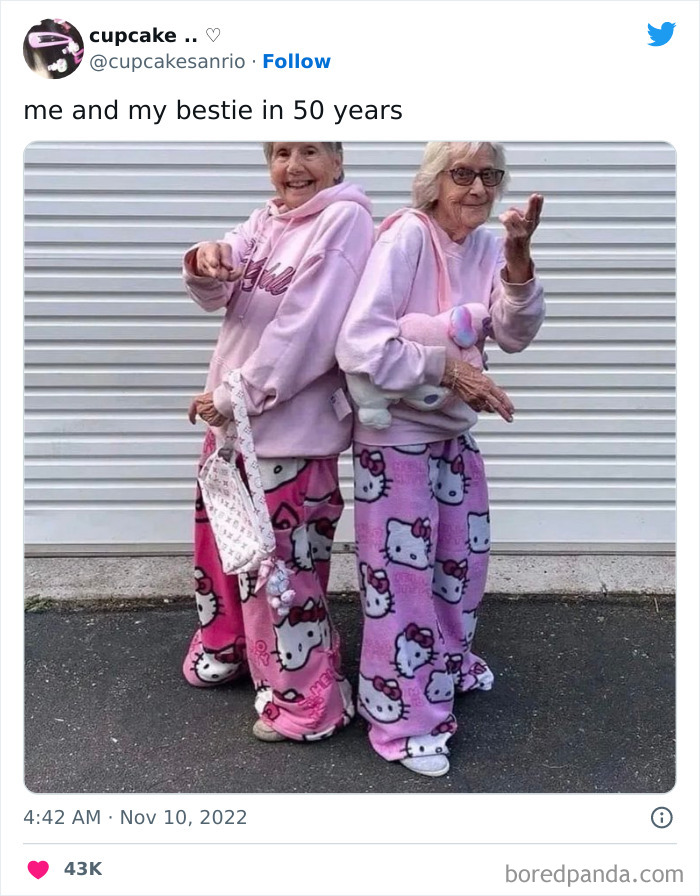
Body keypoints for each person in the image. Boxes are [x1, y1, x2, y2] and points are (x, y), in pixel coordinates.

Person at [336, 141, 545, 776]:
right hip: (395, 437)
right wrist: (450, 369)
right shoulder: (407, 236)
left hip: (453, 432)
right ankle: (401, 718)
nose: (478, 187)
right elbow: (359, 345)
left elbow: (514, 335)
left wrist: (518, 259)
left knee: (460, 564)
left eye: (489, 174)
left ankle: (445, 667)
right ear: (434, 180)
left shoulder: (488, 244)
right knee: (400, 584)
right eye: (463, 173)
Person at [183, 142, 374, 743]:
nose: (293, 166)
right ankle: (232, 648)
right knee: (225, 547)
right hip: (233, 425)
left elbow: (308, 331)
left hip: (287, 435)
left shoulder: (343, 221)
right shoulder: (266, 220)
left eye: (310, 150)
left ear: (338, 160)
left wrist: (237, 392)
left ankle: (309, 702)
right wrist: (205, 260)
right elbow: (219, 289)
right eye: (281, 152)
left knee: (282, 573)